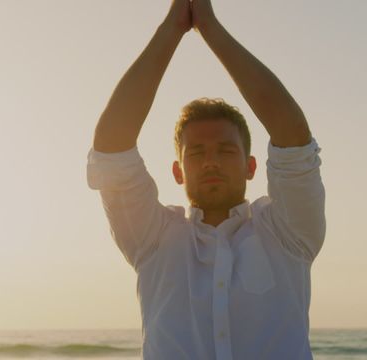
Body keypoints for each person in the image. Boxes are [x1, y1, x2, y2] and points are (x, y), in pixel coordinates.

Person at [86, 0, 326, 358]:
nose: (211, 161)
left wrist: (210, 28)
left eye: (226, 151)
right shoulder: (153, 238)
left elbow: (293, 138)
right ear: (178, 171)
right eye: (196, 152)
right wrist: (173, 27)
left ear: (250, 166)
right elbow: (112, 150)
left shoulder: (288, 232)